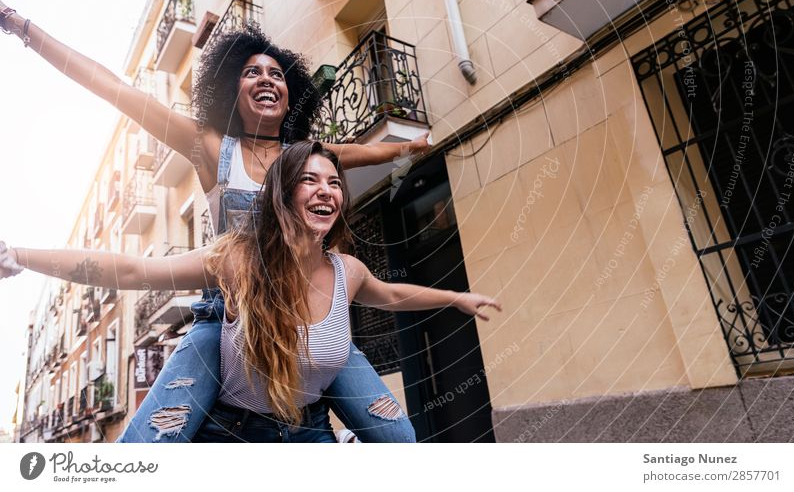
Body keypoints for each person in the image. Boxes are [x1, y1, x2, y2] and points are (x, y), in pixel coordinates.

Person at [0, 1, 430, 442]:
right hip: (229, 318)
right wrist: (21, 27)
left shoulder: (307, 157)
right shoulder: (211, 147)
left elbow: (364, 151)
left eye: (277, 74)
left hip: (307, 318)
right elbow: (115, 89)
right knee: (145, 445)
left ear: (290, 93)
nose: (266, 78)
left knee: (398, 439)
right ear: (232, 89)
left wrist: (408, 148)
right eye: (252, 72)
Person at [1, 142, 501, 442]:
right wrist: (19, 256)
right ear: (283, 193)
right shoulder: (238, 258)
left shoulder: (347, 269)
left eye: (334, 182)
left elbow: (391, 296)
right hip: (232, 435)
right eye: (309, 180)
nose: (326, 190)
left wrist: (457, 299)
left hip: (307, 434)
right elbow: (133, 271)